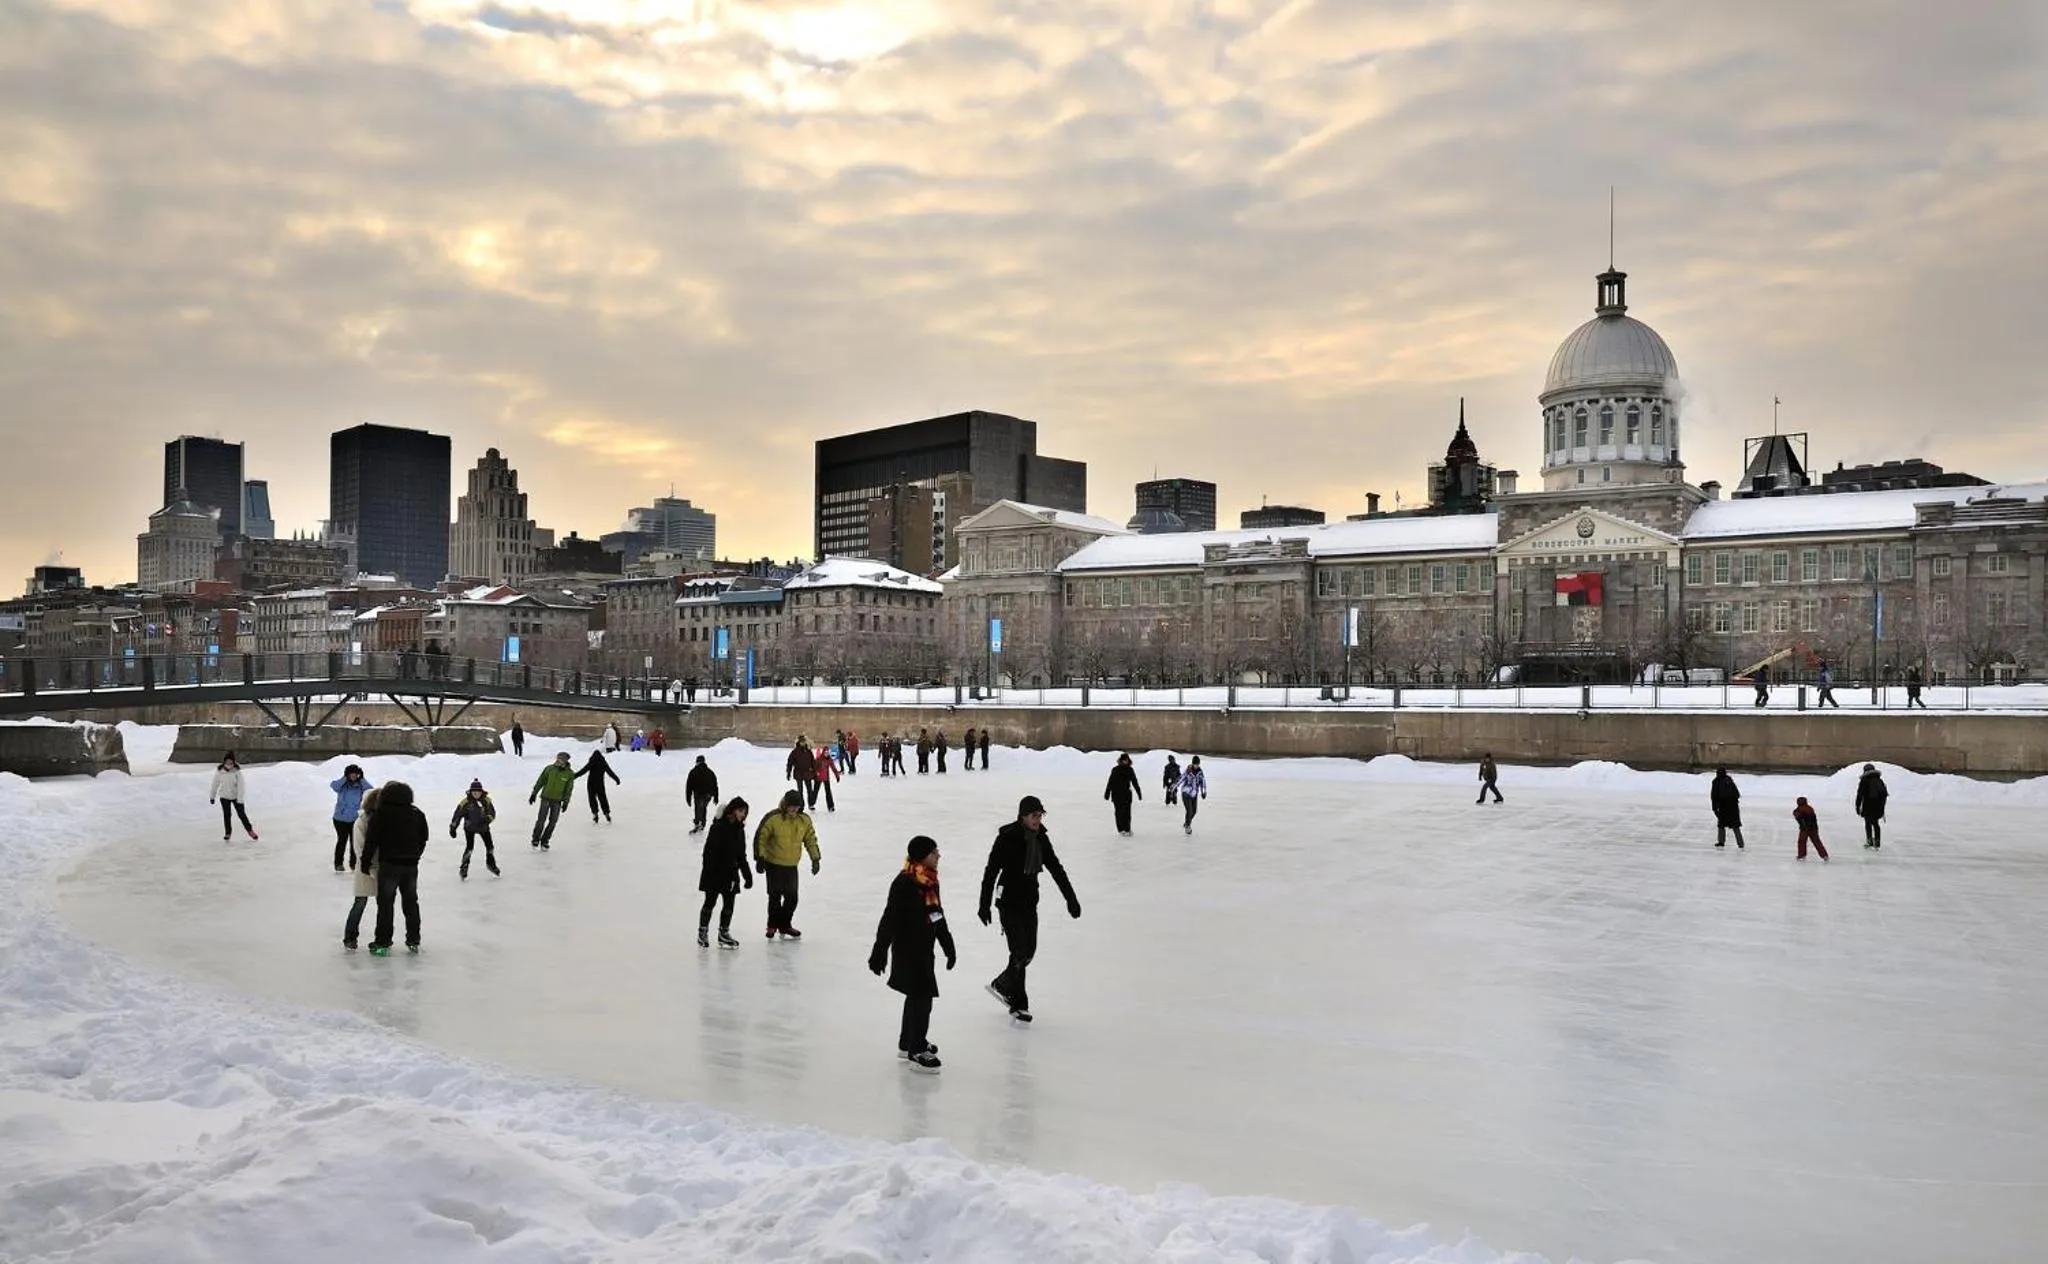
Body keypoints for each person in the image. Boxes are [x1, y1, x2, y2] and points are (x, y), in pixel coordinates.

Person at [978, 796, 1079, 1023]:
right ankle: (1019, 1004)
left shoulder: (1041, 839)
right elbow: (991, 871)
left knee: (1028, 951)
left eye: (1040, 815)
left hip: (1029, 902)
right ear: (1023, 816)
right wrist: (983, 904)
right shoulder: (1006, 838)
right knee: (1020, 951)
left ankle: (1002, 984)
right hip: (1008, 902)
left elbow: (1055, 868)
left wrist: (1070, 899)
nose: (1038, 819)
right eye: (1034, 815)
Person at [870, 835, 955, 1073]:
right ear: (922, 856)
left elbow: (936, 913)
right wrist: (879, 951)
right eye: (934, 852)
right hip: (908, 949)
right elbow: (889, 919)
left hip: (924, 948)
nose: (939, 855)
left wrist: (948, 945)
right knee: (922, 997)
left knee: (917, 995)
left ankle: (908, 1041)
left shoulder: (929, 881)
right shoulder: (905, 883)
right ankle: (916, 1049)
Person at [361, 780, 429, 956]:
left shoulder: (381, 814)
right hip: (411, 866)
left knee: (385, 904)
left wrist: (364, 862)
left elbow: (371, 841)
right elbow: (423, 838)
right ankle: (414, 940)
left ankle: (383, 942)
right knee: (411, 903)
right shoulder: (417, 813)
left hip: (389, 865)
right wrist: (415, 855)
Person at [752, 789, 820, 940]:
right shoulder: (773, 818)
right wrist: (760, 858)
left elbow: (810, 839)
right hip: (773, 863)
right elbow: (761, 837)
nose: (794, 809)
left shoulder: (804, 820)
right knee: (775, 897)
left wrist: (815, 858)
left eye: (797, 806)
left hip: (791, 865)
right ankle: (772, 925)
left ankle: (784, 925)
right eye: (791, 806)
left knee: (792, 898)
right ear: (785, 804)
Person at [698, 797, 753, 949]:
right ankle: (702, 932)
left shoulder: (739, 830)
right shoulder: (718, 827)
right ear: (732, 810)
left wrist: (747, 875)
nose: (743, 814)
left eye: (745, 812)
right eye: (740, 811)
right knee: (710, 902)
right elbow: (708, 852)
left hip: (731, 875)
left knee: (729, 905)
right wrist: (709, 871)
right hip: (714, 873)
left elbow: (741, 855)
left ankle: (724, 933)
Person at [342, 786, 384, 951]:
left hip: (383, 867)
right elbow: (359, 848)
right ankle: (350, 937)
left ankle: (381, 939)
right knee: (360, 902)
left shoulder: (385, 818)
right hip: (365, 869)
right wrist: (371, 869)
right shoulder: (361, 821)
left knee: (384, 906)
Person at [448, 779, 499, 879]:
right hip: (470, 828)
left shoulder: (486, 800)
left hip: (483, 827)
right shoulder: (466, 802)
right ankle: (464, 867)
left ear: (481, 792)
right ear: (470, 792)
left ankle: (491, 864)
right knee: (469, 847)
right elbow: (457, 815)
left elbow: (492, 813)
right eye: (474, 792)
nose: (476, 793)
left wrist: (487, 819)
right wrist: (453, 827)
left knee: (490, 847)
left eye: (478, 792)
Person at [329, 764, 373, 872]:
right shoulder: (342, 786)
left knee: (354, 842)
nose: (353, 776)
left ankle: (353, 864)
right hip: (340, 819)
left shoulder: (360, 786)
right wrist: (344, 778)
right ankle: (338, 864)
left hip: (354, 819)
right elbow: (334, 786)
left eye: (355, 774)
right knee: (342, 840)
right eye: (351, 774)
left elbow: (370, 790)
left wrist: (362, 779)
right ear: (347, 774)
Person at [529, 752, 577, 849]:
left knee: (553, 821)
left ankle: (545, 840)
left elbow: (569, 789)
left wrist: (566, 802)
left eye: (560, 760)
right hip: (545, 798)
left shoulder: (569, 774)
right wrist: (534, 793)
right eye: (557, 759)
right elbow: (541, 781)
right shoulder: (549, 769)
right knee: (541, 820)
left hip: (557, 801)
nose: (558, 761)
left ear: (565, 761)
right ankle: (535, 839)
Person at [210, 752, 258, 842]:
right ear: (224, 763)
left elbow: (241, 786)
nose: (229, 765)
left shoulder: (237, 772)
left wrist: (240, 799)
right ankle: (228, 833)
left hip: (236, 797)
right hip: (224, 797)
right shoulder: (220, 772)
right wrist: (212, 796)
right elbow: (215, 784)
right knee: (227, 815)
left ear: (234, 763)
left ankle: (250, 831)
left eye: (231, 763)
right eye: (227, 763)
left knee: (242, 815)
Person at [1104, 753, 1141, 834]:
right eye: (1124, 760)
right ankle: (1121, 829)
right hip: (1116, 794)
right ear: (1121, 760)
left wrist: (1138, 792)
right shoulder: (1115, 770)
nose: (1125, 761)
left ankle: (1127, 828)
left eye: (1127, 760)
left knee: (1127, 813)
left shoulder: (1130, 770)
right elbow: (1110, 782)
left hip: (1127, 794)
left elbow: (1134, 781)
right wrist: (1107, 793)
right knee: (1119, 812)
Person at [1854, 763, 1889, 849]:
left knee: (1868, 823)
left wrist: (1858, 806)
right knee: (1876, 823)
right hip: (1878, 806)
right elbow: (1884, 794)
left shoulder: (1864, 781)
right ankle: (1877, 841)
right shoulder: (1879, 780)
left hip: (1868, 805)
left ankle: (1869, 840)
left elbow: (1860, 795)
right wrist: (1882, 808)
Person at [1710, 766, 1745, 848]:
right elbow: (1737, 794)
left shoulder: (1716, 782)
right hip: (1733, 806)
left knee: (1721, 825)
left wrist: (1714, 808)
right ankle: (1740, 843)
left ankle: (1721, 842)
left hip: (1723, 806)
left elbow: (1714, 796)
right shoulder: (1729, 780)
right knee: (1735, 826)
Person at [686, 755, 720, 833]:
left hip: (699, 794)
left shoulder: (693, 772)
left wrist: (688, 798)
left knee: (698, 808)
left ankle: (697, 823)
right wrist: (716, 797)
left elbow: (689, 786)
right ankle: (702, 823)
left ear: (697, 762)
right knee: (703, 807)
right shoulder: (710, 772)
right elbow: (715, 785)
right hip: (708, 795)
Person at [1177, 756, 1209, 834]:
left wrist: (1203, 792)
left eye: (1197, 764)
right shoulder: (1188, 771)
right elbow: (1181, 779)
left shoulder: (1200, 772)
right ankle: (1188, 826)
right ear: (1192, 763)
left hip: (1194, 794)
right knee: (1189, 810)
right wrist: (1173, 788)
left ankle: (1187, 823)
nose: (1196, 765)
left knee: (1194, 811)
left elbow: (1203, 783)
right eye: (1195, 764)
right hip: (1186, 793)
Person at [1793, 796, 1829, 861]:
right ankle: (1824, 855)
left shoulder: (1799, 810)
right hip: (1813, 828)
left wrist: (1805, 826)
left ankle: (1802, 855)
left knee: (1802, 842)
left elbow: (1801, 819)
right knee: (1817, 842)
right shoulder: (1809, 808)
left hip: (1806, 829)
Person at [787, 737, 818, 807]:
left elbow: (813, 762)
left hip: (807, 773)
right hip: (799, 774)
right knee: (800, 791)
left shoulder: (808, 751)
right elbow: (790, 763)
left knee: (809, 790)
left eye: (804, 742)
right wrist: (788, 772)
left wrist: (814, 772)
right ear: (799, 742)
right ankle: (801, 806)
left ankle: (811, 804)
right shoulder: (795, 752)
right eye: (801, 742)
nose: (803, 743)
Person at [813, 739, 840, 812]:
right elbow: (814, 767)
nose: (826, 754)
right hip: (818, 778)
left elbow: (833, 768)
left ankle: (831, 806)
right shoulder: (819, 759)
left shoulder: (829, 759)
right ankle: (812, 803)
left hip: (826, 778)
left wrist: (837, 776)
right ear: (823, 752)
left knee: (828, 792)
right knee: (815, 791)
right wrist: (815, 773)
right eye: (825, 752)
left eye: (828, 752)